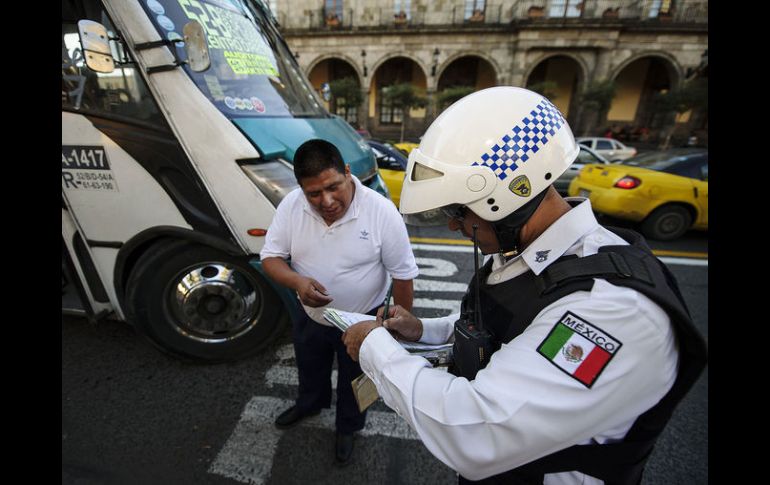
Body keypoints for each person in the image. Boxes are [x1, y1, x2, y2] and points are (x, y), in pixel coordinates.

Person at [342, 87, 707, 484]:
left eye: (457, 211)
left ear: (504, 197)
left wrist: (373, 347)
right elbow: (515, 327)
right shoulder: (531, 255)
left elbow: (475, 433)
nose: (453, 225)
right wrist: (424, 330)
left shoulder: (613, 310)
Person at [260, 139, 418, 466]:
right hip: (311, 317)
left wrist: (397, 330)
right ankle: (310, 404)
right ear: (301, 188)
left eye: (333, 187)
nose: (327, 201)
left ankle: (348, 426)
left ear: (347, 172)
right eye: (314, 193)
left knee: (357, 380)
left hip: (363, 320)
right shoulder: (291, 205)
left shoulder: (380, 212)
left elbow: (403, 276)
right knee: (310, 366)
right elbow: (271, 257)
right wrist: (297, 282)